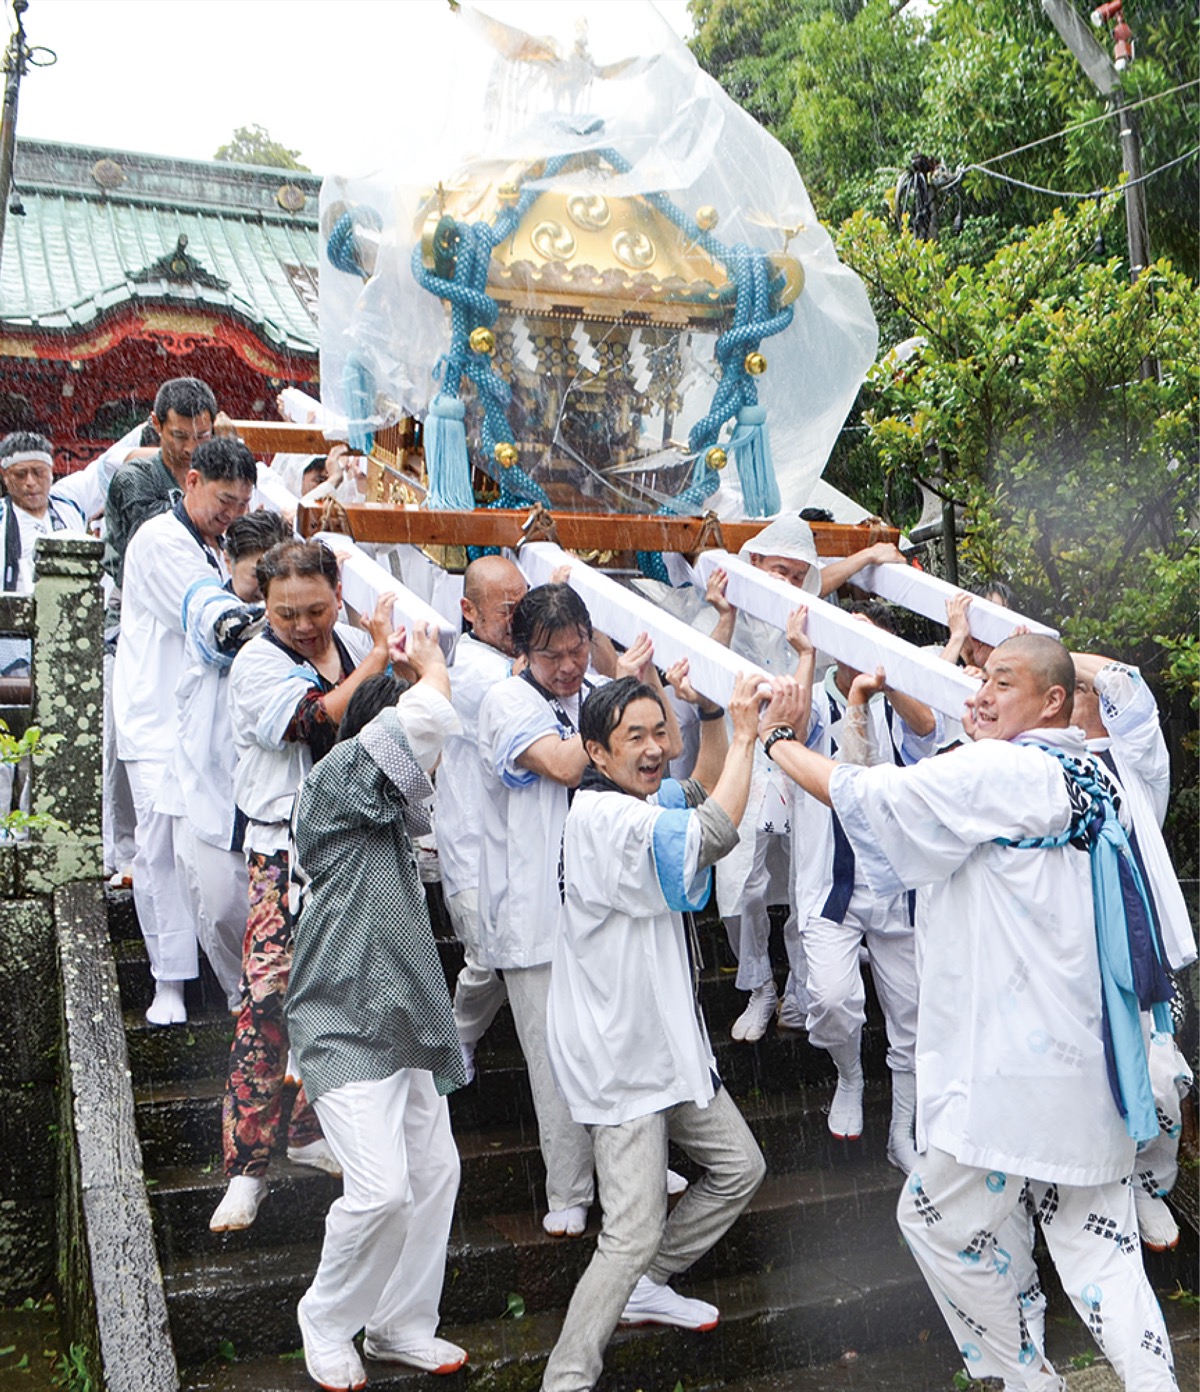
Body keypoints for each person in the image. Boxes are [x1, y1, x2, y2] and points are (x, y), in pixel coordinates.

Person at [765, 633, 1178, 1392]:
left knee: (932, 1221)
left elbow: (867, 795)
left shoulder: (1001, 769)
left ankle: (1027, 1379)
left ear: (1053, 702)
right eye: (980, 679)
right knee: (1102, 1255)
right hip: (1092, 1072)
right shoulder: (1095, 776)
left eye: (1003, 682)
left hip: (1008, 1079)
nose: (980, 695)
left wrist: (776, 740)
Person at [540, 670, 784, 1391]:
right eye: (633, 738)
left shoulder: (640, 801)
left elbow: (701, 791)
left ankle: (651, 1284)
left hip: (666, 1045)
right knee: (630, 1232)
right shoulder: (606, 818)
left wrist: (710, 716)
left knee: (740, 1168)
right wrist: (749, 735)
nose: (653, 749)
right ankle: (566, 1377)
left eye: (658, 732)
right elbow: (713, 832)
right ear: (596, 752)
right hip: (618, 1052)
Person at [287, 645, 469, 1389]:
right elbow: (425, 716)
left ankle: (399, 1324)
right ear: (377, 739)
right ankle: (327, 1322)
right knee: (381, 1191)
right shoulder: (333, 783)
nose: (431, 763)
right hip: (342, 1025)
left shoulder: (390, 813)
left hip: (404, 1025)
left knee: (436, 1173)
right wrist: (430, 662)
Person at [476, 583, 678, 1237]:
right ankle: (569, 1188)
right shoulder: (507, 700)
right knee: (553, 1056)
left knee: (624, 1042)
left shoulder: (597, 690)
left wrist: (637, 692)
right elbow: (566, 764)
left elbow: (663, 749)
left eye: (576, 650)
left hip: (603, 902)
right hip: (536, 910)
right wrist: (621, 698)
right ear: (522, 651)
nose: (567, 667)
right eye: (551, 656)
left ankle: (643, 1167)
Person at [209, 539, 399, 1233]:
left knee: (346, 999)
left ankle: (312, 1129)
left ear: (338, 593)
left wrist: (384, 659)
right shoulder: (258, 660)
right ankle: (246, 1169)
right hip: (282, 853)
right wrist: (378, 660)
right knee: (267, 1000)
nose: (303, 625)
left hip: (351, 849)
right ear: (264, 605)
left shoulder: (351, 645)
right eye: (286, 613)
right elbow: (310, 719)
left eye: (315, 609)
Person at [701, 514, 910, 1042]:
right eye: (780, 572)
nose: (789, 584)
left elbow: (820, 583)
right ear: (753, 564)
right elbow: (706, 676)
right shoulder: (726, 604)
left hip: (800, 756)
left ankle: (799, 986)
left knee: (805, 881)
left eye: (799, 576)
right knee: (740, 881)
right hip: (744, 759)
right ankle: (758, 984)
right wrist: (724, 614)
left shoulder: (809, 617)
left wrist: (867, 557)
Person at [113, 437, 256, 1025]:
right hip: (154, 717)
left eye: (243, 504)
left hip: (205, 720)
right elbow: (204, 614)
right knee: (159, 847)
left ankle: (235, 979)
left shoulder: (224, 544)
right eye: (225, 501)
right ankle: (168, 977)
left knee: (208, 844)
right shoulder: (159, 540)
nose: (233, 514)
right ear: (192, 481)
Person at [792, 602, 940, 1169]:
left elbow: (927, 731)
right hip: (831, 885)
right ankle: (849, 1075)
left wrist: (888, 676)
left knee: (916, 1014)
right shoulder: (812, 698)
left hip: (897, 886)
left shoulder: (901, 700)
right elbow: (812, 749)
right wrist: (812, 657)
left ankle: (902, 1132)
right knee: (831, 999)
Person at [1073, 652, 1196, 1252]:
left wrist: (1049, 656)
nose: (1071, 694)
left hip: (1144, 951)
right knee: (1088, 1079)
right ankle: (1099, 1192)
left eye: (1075, 687)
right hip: (1073, 953)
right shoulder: (1039, 761)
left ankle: (1150, 1182)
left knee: (1161, 1076)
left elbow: (1127, 686)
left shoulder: (1137, 763)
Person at [166, 509, 290, 1011]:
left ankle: (271, 1015)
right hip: (211, 783)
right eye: (257, 579)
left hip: (274, 785)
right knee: (220, 909)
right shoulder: (207, 603)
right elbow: (229, 631)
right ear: (226, 559)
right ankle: (240, 1005)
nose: (265, 593)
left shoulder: (301, 618)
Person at [433, 554, 528, 1076]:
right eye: (509, 609)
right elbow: (518, 702)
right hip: (472, 844)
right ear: (469, 611)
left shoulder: (524, 659)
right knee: (487, 959)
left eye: (526, 606)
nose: (521, 620)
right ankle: (459, 1036)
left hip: (526, 840)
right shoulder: (467, 671)